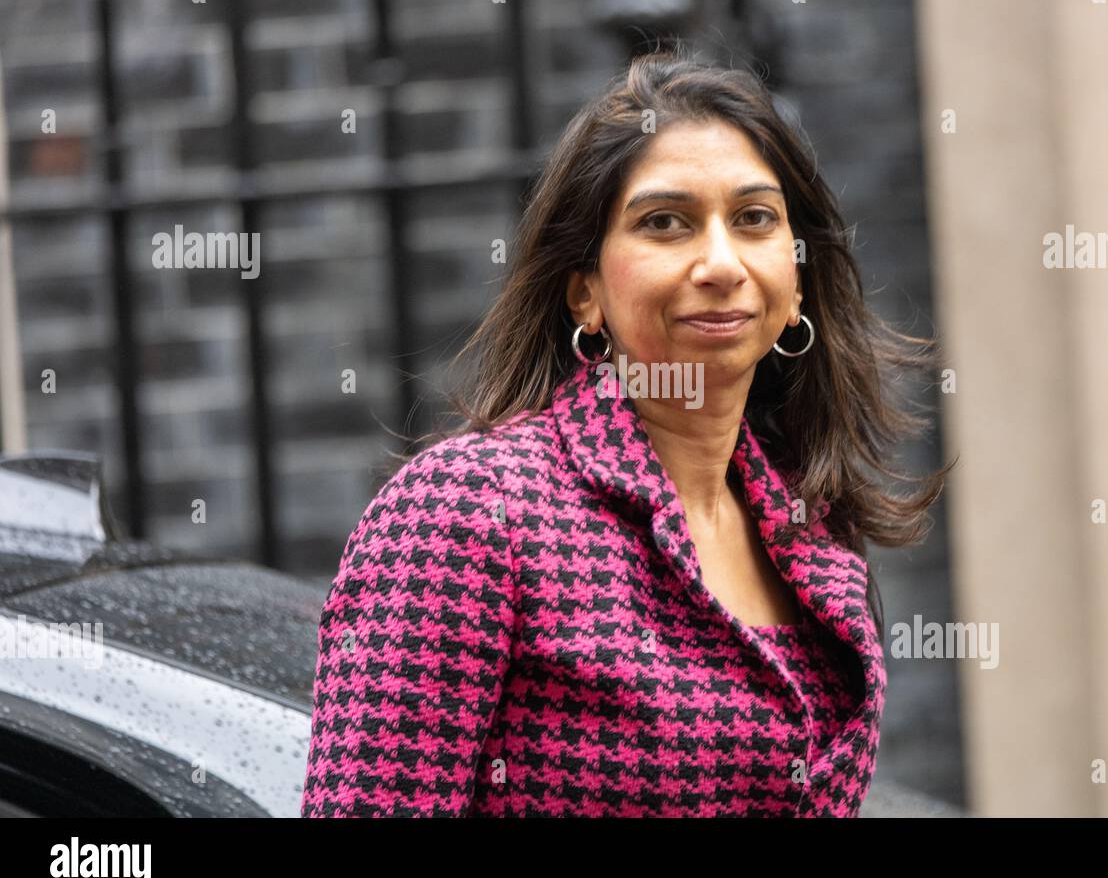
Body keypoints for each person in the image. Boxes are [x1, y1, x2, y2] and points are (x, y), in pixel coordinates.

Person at [299, 41, 951, 817]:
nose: (720, 263)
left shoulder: (809, 522)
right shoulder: (470, 509)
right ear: (585, 294)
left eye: (753, 219)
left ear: (798, 276)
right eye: (666, 223)